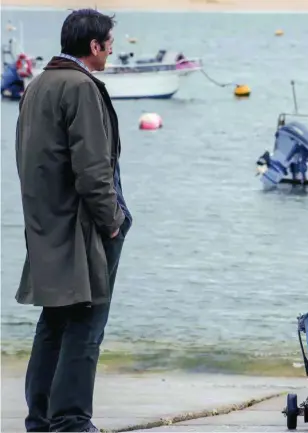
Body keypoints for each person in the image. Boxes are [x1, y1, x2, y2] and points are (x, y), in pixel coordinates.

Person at [15, 9, 132, 433]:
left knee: (54, 322)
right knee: (86, 325)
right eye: (109, 43)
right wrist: (113, 221)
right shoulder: (81, 87)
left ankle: (41, 418)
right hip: (83, 227)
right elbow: (94, 169)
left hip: (46, 225)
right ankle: (71, 421)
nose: (112, 50)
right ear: (94, 45)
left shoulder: (37, 85)